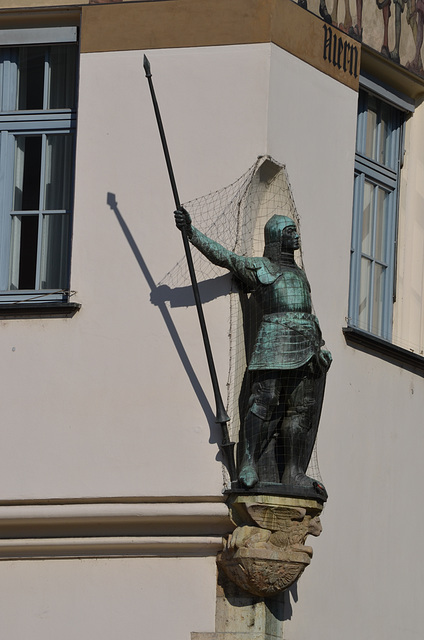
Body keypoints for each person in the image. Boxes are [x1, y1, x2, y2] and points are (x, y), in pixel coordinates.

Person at [175, 208, 332, 499]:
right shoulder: (261, 268)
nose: (296, 235)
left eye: (295, 231)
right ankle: (248, 461)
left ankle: (293, 471)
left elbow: (307, 312)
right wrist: (191, 232)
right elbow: (224, 257)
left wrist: (319, 348)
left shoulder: (300, 273)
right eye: (289, 231)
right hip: (274, 339)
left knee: (300, 409)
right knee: (264, 400)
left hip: (307, 344)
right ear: (276, 237)